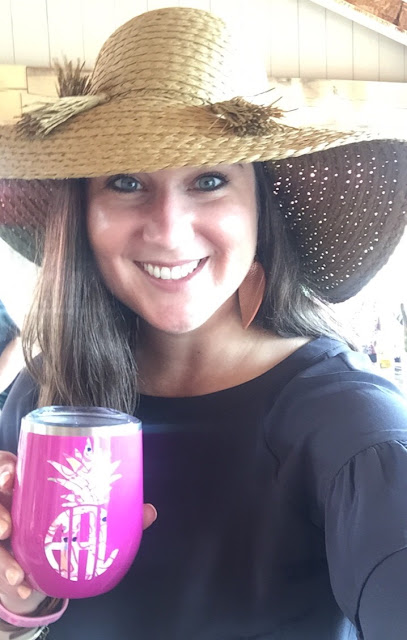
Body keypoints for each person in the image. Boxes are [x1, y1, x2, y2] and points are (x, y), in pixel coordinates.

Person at [0, 6, 407, 640]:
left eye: (210, 180)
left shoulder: (350, 423)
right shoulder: (44, 398)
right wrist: (18, 604)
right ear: (82, 215)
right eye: (126, 181)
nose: (168, 230)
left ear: (260, 212)